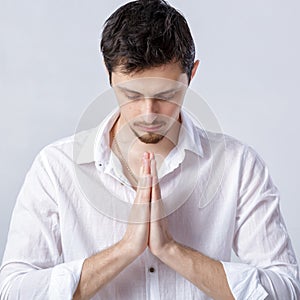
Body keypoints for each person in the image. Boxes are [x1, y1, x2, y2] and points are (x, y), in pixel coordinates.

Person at [0, 0, 299, 299]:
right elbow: (13, 290)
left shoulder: (238, 165)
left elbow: (286, 289)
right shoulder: (56, 167)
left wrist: (172, 250)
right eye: (131, 94)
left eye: (167, 94)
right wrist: (124, 250)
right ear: (109, 73)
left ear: (191, 75)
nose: (149, 113)